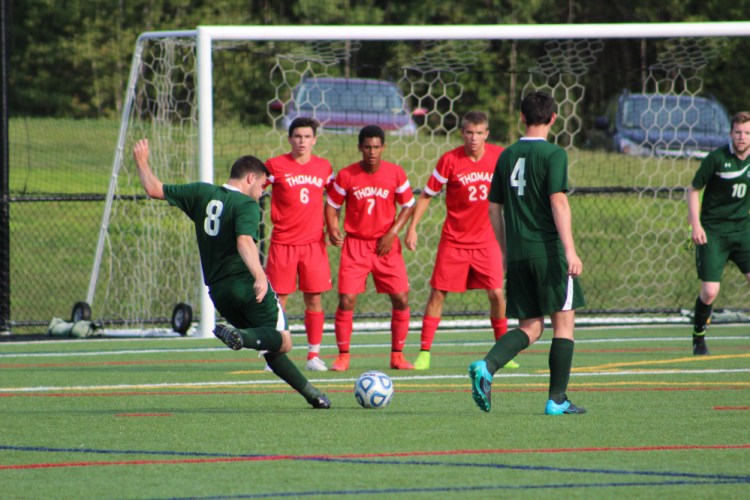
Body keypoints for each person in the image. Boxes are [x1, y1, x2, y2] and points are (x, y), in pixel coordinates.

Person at [132, 139, 330, 409]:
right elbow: (244, 242)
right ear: (250, 178)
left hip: (219, 292)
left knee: (268, 345)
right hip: (246, 285)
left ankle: (313, 395)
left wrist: (142, 161)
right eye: (261, 186)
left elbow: (153, 189)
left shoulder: (201, 193)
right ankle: (242, 337)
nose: (261, 193)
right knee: (283, 342)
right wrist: (260, 276)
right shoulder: (245, 205)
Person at [468, 91, 586, 415]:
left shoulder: (505, 156)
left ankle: (487, 365)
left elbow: (494, 208)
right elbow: (558, 201)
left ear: (521, 117)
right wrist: (571, 251)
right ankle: (557, 400)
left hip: (518, 256)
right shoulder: (554, 154)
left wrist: (506, 251)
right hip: (548, 255)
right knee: (563, 326)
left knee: (531, 327)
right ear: (553, 119)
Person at [405, 111, 518, 370]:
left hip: (487, 240)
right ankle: (424, 352)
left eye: (479, 133)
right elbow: (426, 196)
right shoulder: (450, 160)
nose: (474, 138)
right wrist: (412, 227)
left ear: (487, 134)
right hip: (454, 241)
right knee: (437, 293)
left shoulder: (501, 157)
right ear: (462, 133)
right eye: (469, 132)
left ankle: (504, 352)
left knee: (497, 293)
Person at [325, 125, 416, 371]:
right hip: (355, 245)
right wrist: (332, 227)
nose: (372, 152)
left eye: (376, 147)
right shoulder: (347, 175)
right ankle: (343, 356)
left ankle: (397, 356)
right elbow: (332, 205)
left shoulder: (395, 173)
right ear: (360, 148)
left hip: (386, 244)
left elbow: (408, 205)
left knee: (401, 298)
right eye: (367, 147)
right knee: (347, 300)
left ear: (383, 147)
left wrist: (392, 233)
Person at [265, 117, 334, 371]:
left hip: (314, 245)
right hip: (283, 244)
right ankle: (274, 356)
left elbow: (334, 201)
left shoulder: (325, 168)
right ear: (289, 139)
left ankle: (313, 355)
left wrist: (333, 227)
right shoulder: (275, 165)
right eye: (297, 136)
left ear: (314, 140)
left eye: (307, 137)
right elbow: (254, 192)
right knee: (278, 301)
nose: (302, 141)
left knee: (313, 299)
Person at [687, 111, 750, 356]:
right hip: (713, 232)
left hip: (742, 230)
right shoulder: (717, 158)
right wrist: (696, 225)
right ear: (730, 133)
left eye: (746, 133)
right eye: (738, 132)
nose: (742, 137)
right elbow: (693, 190)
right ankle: (698, 336)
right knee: (710, 291)